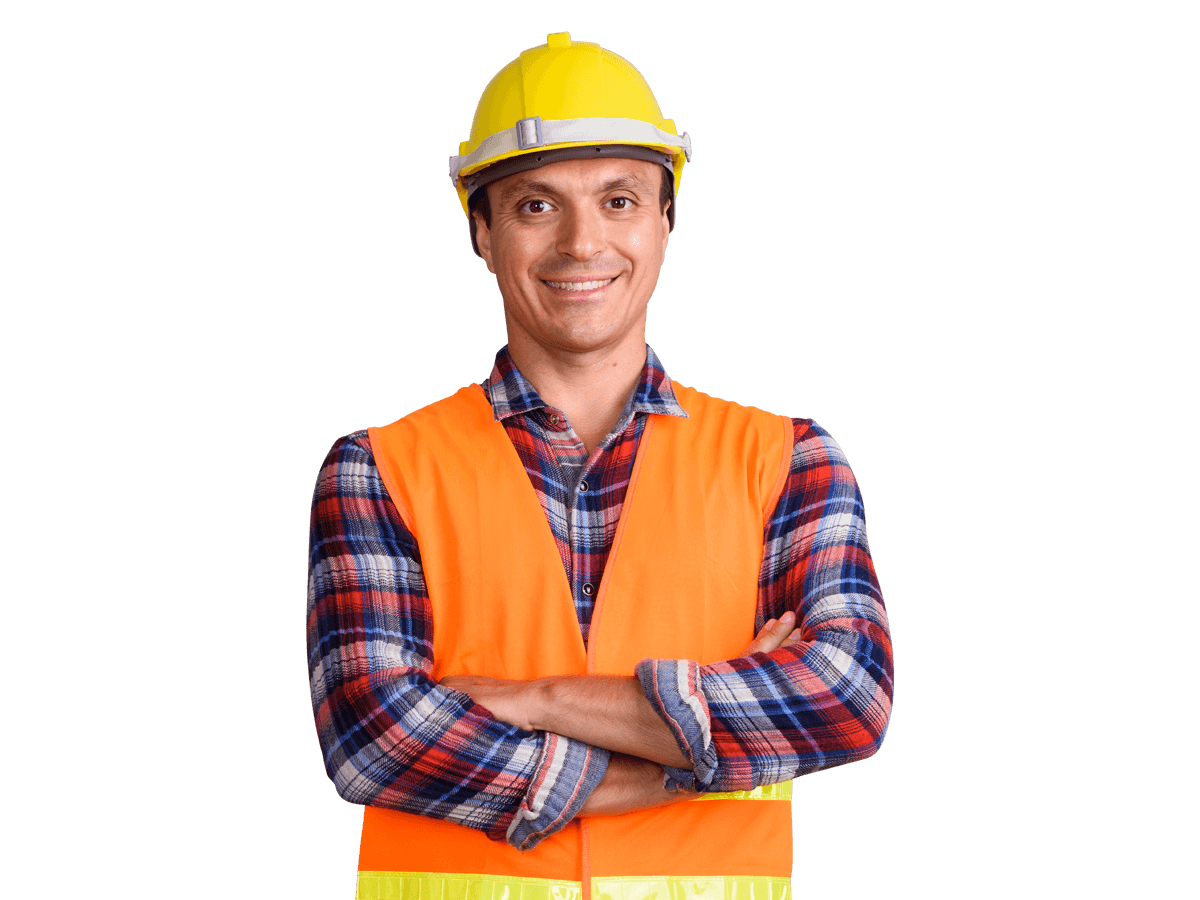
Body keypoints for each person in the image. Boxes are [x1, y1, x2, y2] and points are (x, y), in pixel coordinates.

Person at [307, 32, 893, 899]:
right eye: (537, 206)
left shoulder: (787, 459)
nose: (583, 244)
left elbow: (847, 699)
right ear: (481, 233)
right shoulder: (378, 467)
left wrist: (532, 699)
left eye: (619, 200)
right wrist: (685, 764)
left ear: (665, 223)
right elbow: (373, 741)